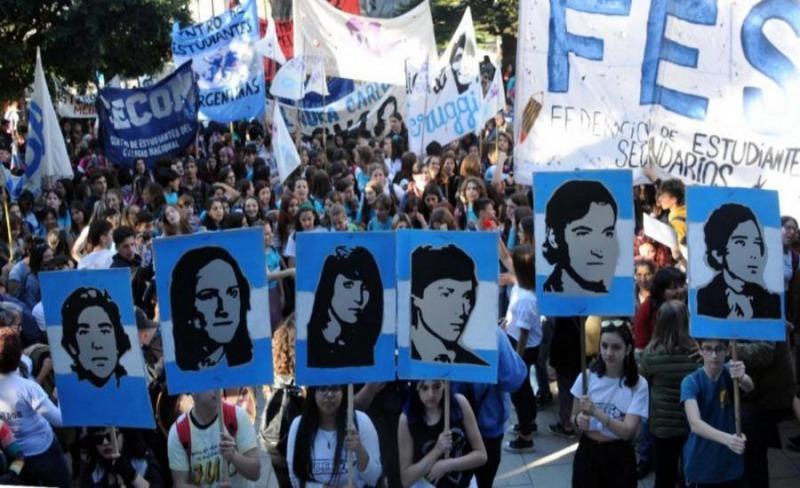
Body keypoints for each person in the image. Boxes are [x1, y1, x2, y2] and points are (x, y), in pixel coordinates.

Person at [571, 320, 649, 488]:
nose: (608, 352)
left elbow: (628, 431)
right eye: (604, 346)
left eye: (616, 347)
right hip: (588, 451)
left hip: (619, 455)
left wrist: (596, 412)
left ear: (628, 349)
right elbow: (572, 418)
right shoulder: (587, 377)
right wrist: (578, 420)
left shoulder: (638, 384)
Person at [638, 301, 698, 488]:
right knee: (690, 474)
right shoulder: (696, 355)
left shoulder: (651, 356)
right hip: (691, 423)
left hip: (662, 426)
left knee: (664, 475)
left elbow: (643, 381)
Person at [0, 328, 70, 488]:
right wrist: (60, 395)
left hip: (15, 457)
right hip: (45, 450)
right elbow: (59, 420)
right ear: (19, 356)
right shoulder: (28, 388)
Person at [681, 339, 753, 487]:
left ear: (727, 350)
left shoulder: (730, 372)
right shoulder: (691, 381)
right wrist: (729, 440)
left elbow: (749, 386)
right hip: (702, 465)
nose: (714, 355)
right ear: (700, 350)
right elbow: (695, 423)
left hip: (730, 464)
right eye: (708, 349)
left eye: (719, 349)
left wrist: (742, 377)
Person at [170, 247, 253, 370]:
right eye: (209, 295)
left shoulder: (244, 363)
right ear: (185, 303)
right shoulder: (179, 367)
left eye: (232, 293)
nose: (223, 309)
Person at [697, 203, 781, 319]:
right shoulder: (704, 298)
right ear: (718, 254)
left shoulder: (770, 300)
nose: (753, 253)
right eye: (741, 243)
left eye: (757, 243)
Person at [287, 385, 382, 487]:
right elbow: (295, 479)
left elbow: (374, 478)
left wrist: (359, 449)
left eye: (335, 388)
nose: (329, 395)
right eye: (322, 389)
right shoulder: (299, 426)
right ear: (313, 392)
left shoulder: (361, 422)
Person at [398, 380, 488, 487]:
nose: (431, 394)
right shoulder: (407, 419)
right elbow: (406, 478)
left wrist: (447, 465)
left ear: (445, 384)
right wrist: (437, 450)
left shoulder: (459, 404)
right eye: (424, 388)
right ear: (416, 388)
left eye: (436, 386)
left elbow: (481, 455)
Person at [410, 244, 487, 365]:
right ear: (416, 298)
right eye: (446, 295)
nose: (461, 310)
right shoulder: (395, 359)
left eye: (467, 296)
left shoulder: (475, 366)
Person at [307, 246, 383, 368]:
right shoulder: (306, 342)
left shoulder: (365, 342)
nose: (359, 298)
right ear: (329, 287)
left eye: (364, 288)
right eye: (348, 285)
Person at [168, 390, 261, 487]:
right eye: (209, 383)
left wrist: (234, 455)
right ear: (193, 391)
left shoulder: (237, 416)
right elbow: (180, 484)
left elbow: (255, 473)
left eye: (217, 379)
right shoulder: (178, 431)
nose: (216, 388)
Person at [542, 180, 620, 294]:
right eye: (583, 233)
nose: (598, 250)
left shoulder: (614, 301)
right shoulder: (547, 300)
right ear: (553, 237)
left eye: (607, 233)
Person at [503, 244, 541, 453]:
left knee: (519, 390)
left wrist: (516, 360)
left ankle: (525, 436)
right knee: (523, 388)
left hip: (523, 350)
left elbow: (524, 333)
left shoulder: (527, 299)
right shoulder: (524, 286)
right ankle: (530, 422)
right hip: (519, 344)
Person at [61, 286, 131, 387]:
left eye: (105, 331)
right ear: (72, 346)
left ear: (118, 340)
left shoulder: (143, 383)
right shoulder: (62, 393)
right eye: (84, 333)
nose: (97, 345)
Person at [80, 427, 163, 487]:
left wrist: (131, 475)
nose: (105, 443)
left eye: (110, 436)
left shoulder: (143, 462)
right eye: (99, 438)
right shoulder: (93, 470)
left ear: (124, 435)